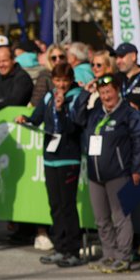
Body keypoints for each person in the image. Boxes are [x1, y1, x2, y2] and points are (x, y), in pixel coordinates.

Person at [72, 75, 140, 273]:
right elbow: (76, 117)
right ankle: (109, 254)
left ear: (117, 91)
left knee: (120, 217)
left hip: (119, 173)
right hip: (96, 174)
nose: (106, 96)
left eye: (109, 92)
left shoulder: (128, 113)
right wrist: (86, 93)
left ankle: (123, 257)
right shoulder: (96, 113)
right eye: (102, 92)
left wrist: (137, 169)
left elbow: (139, 142)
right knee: (101, 219)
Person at [15, 62, 85, 267]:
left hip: (68, 157)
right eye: (57, 80)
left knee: (67, 205)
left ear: (70, 80)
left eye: (64, 80)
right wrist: (25, 119)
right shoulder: (48, 96)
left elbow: (74, 127)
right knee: (55, 205)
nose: (61, 85)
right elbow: (37, 120)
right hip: (50, 158)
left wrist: (61, 108)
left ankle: (73, 250)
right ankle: (60, 247)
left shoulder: (77, 97)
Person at [115, 42, 140, 110]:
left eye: (121, 56)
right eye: (116, 57)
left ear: (133, 57)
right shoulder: (115, 78)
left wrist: (139, 108)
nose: (118, 61)